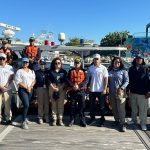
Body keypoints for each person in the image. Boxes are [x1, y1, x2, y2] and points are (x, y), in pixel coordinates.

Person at [128, 55, 149, 131]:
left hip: (143, 93)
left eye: (140, 59)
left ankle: (143, 123)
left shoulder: (146, 68)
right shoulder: (131, 69)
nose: (139, 60)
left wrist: (149, 91)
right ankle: (134, 120)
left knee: (143, 109)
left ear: (142, 60)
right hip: (133, 92)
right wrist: (128, 90)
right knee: (134, 108)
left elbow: (149, 81)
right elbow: (129, 80)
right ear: (135, 60)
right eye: (137, 59)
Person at [87, 54, 108, 126]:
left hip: (101, 90)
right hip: (92, 90)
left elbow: (106, 79)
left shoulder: (104, 68)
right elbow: (88, 79)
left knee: (102, 106)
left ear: (100, 60)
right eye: (95, 59)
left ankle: (102, 119)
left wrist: (105, 89)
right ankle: (92, 118)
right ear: (93, 60)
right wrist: (87, 86)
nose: (96, 60)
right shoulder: (90, 68)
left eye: (97, 59)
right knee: (91, 106)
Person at [108, 57, 129, 132]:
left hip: (120, 93)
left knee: (121, 109)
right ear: (113, 62)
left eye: (119, 62)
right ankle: (117, 120)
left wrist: (122, 88)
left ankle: (122, 123)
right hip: (111, 92)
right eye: (116, 61)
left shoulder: (123, 71)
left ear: (121, 63)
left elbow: (127, 81)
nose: (117, 63)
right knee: (114, 108)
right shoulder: (109, 70)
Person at [15, 57, 36, 129]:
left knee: (27, 105)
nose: (25, 63)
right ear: (22, 63)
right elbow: (18, 82)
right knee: (26, 104)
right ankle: (23, 122)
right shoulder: (19, 71)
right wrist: (27, 87)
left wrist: (30, 87)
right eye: (23, 62)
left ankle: (25, 117)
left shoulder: (31, 71)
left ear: (28, 64)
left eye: (26, 62)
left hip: (30, 90)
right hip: (22, 90)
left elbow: (34, 80)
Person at [67, 58, 87, 127]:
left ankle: (82, 120)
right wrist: (73, 86)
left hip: (81, 91)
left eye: (78, 63)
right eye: (75, 63)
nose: (76, 64)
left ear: (80, 64)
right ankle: (72, 119)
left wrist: (79, 86)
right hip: (73, 91)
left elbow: (86, 80)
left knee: (82, 106)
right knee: (72, 105)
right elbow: (68, 80)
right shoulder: (70, 71)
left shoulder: (84, 71)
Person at [48, 57, 67, 126]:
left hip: (61, 88)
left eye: (59, 63)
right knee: (53, 104)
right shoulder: (51, 71)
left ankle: (60, 119)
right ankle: (54, 119)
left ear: (61, 64)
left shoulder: (64, 71)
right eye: (56, 63)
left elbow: (65, 81)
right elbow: (48, 80)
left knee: (60, 104)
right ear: (54, 64)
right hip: (52, 87)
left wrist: (60, 87)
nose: (57, 64)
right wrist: (53, 88)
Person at [0, 53, 14, 124]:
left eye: (3, 58)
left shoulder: (10, 67)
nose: (1, 60)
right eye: (0, 59)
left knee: (7, 104)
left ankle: (8, 118)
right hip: (0, 88)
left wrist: (6, 85)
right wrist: (1, 87)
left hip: (7, 89)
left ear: (5, 59)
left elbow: (11, 77)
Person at [35, 60, 49, 124]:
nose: (43, 66)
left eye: (44, 65)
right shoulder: (36, 72)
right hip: (39, 88)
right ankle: (40, 117)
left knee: (46, 104)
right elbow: (34, 81)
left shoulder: (48, 72)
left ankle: (46, 116)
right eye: (41, 65)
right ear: (39, 65)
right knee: (40, 103)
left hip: (47, 89)